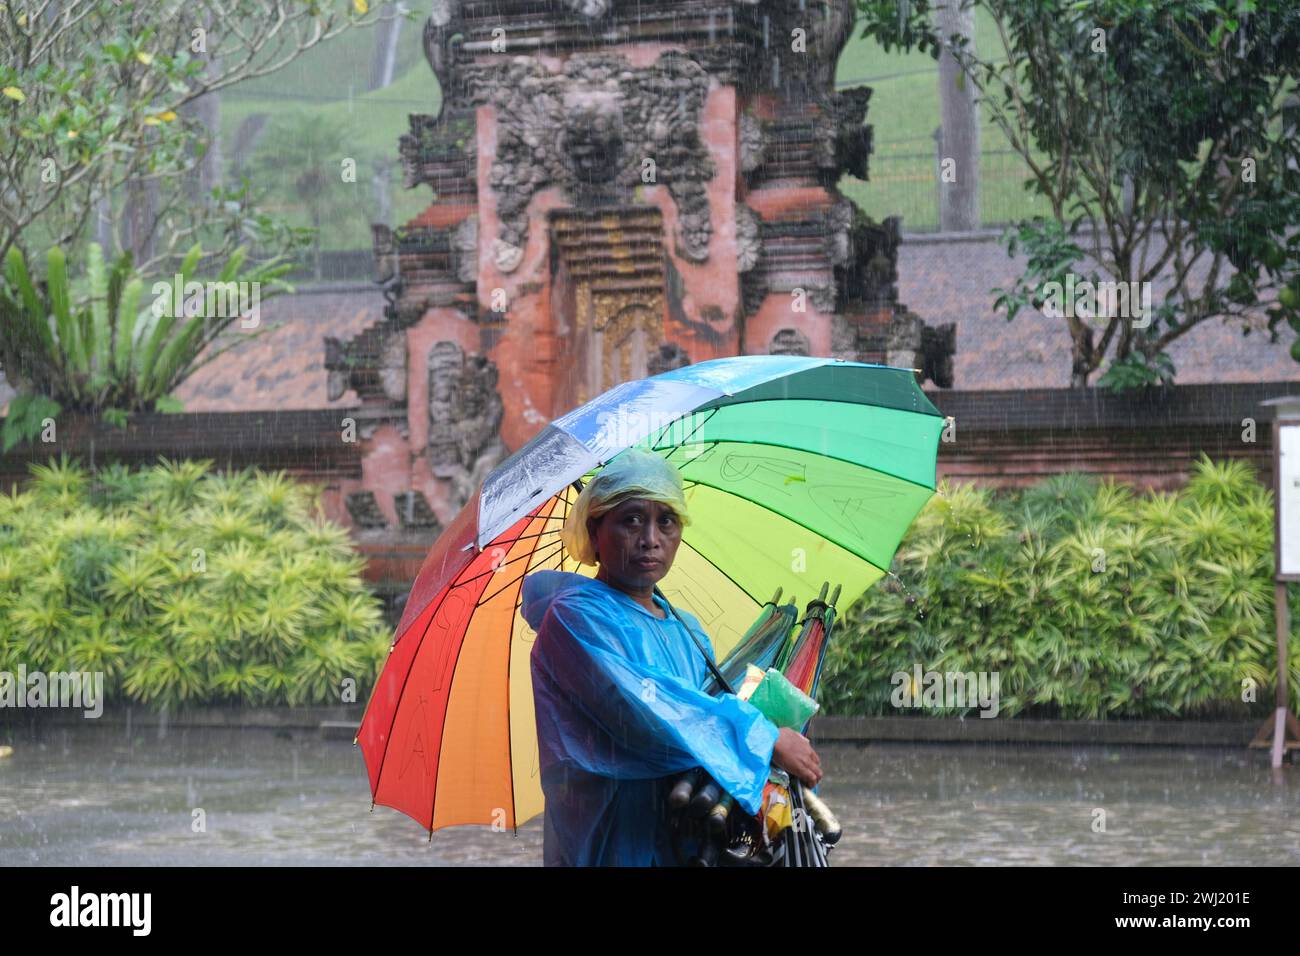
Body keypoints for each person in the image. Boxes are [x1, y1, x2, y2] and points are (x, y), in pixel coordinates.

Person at [521, 447, 822, 866]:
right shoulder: (574, 619)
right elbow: (646, 716)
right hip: (613, 842)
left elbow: (706, 705)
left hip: (684, 842)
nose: (651, 539)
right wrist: (765, 738)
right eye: (631, 520)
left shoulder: (687, 629)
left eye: (666, 521)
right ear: (594, 530)